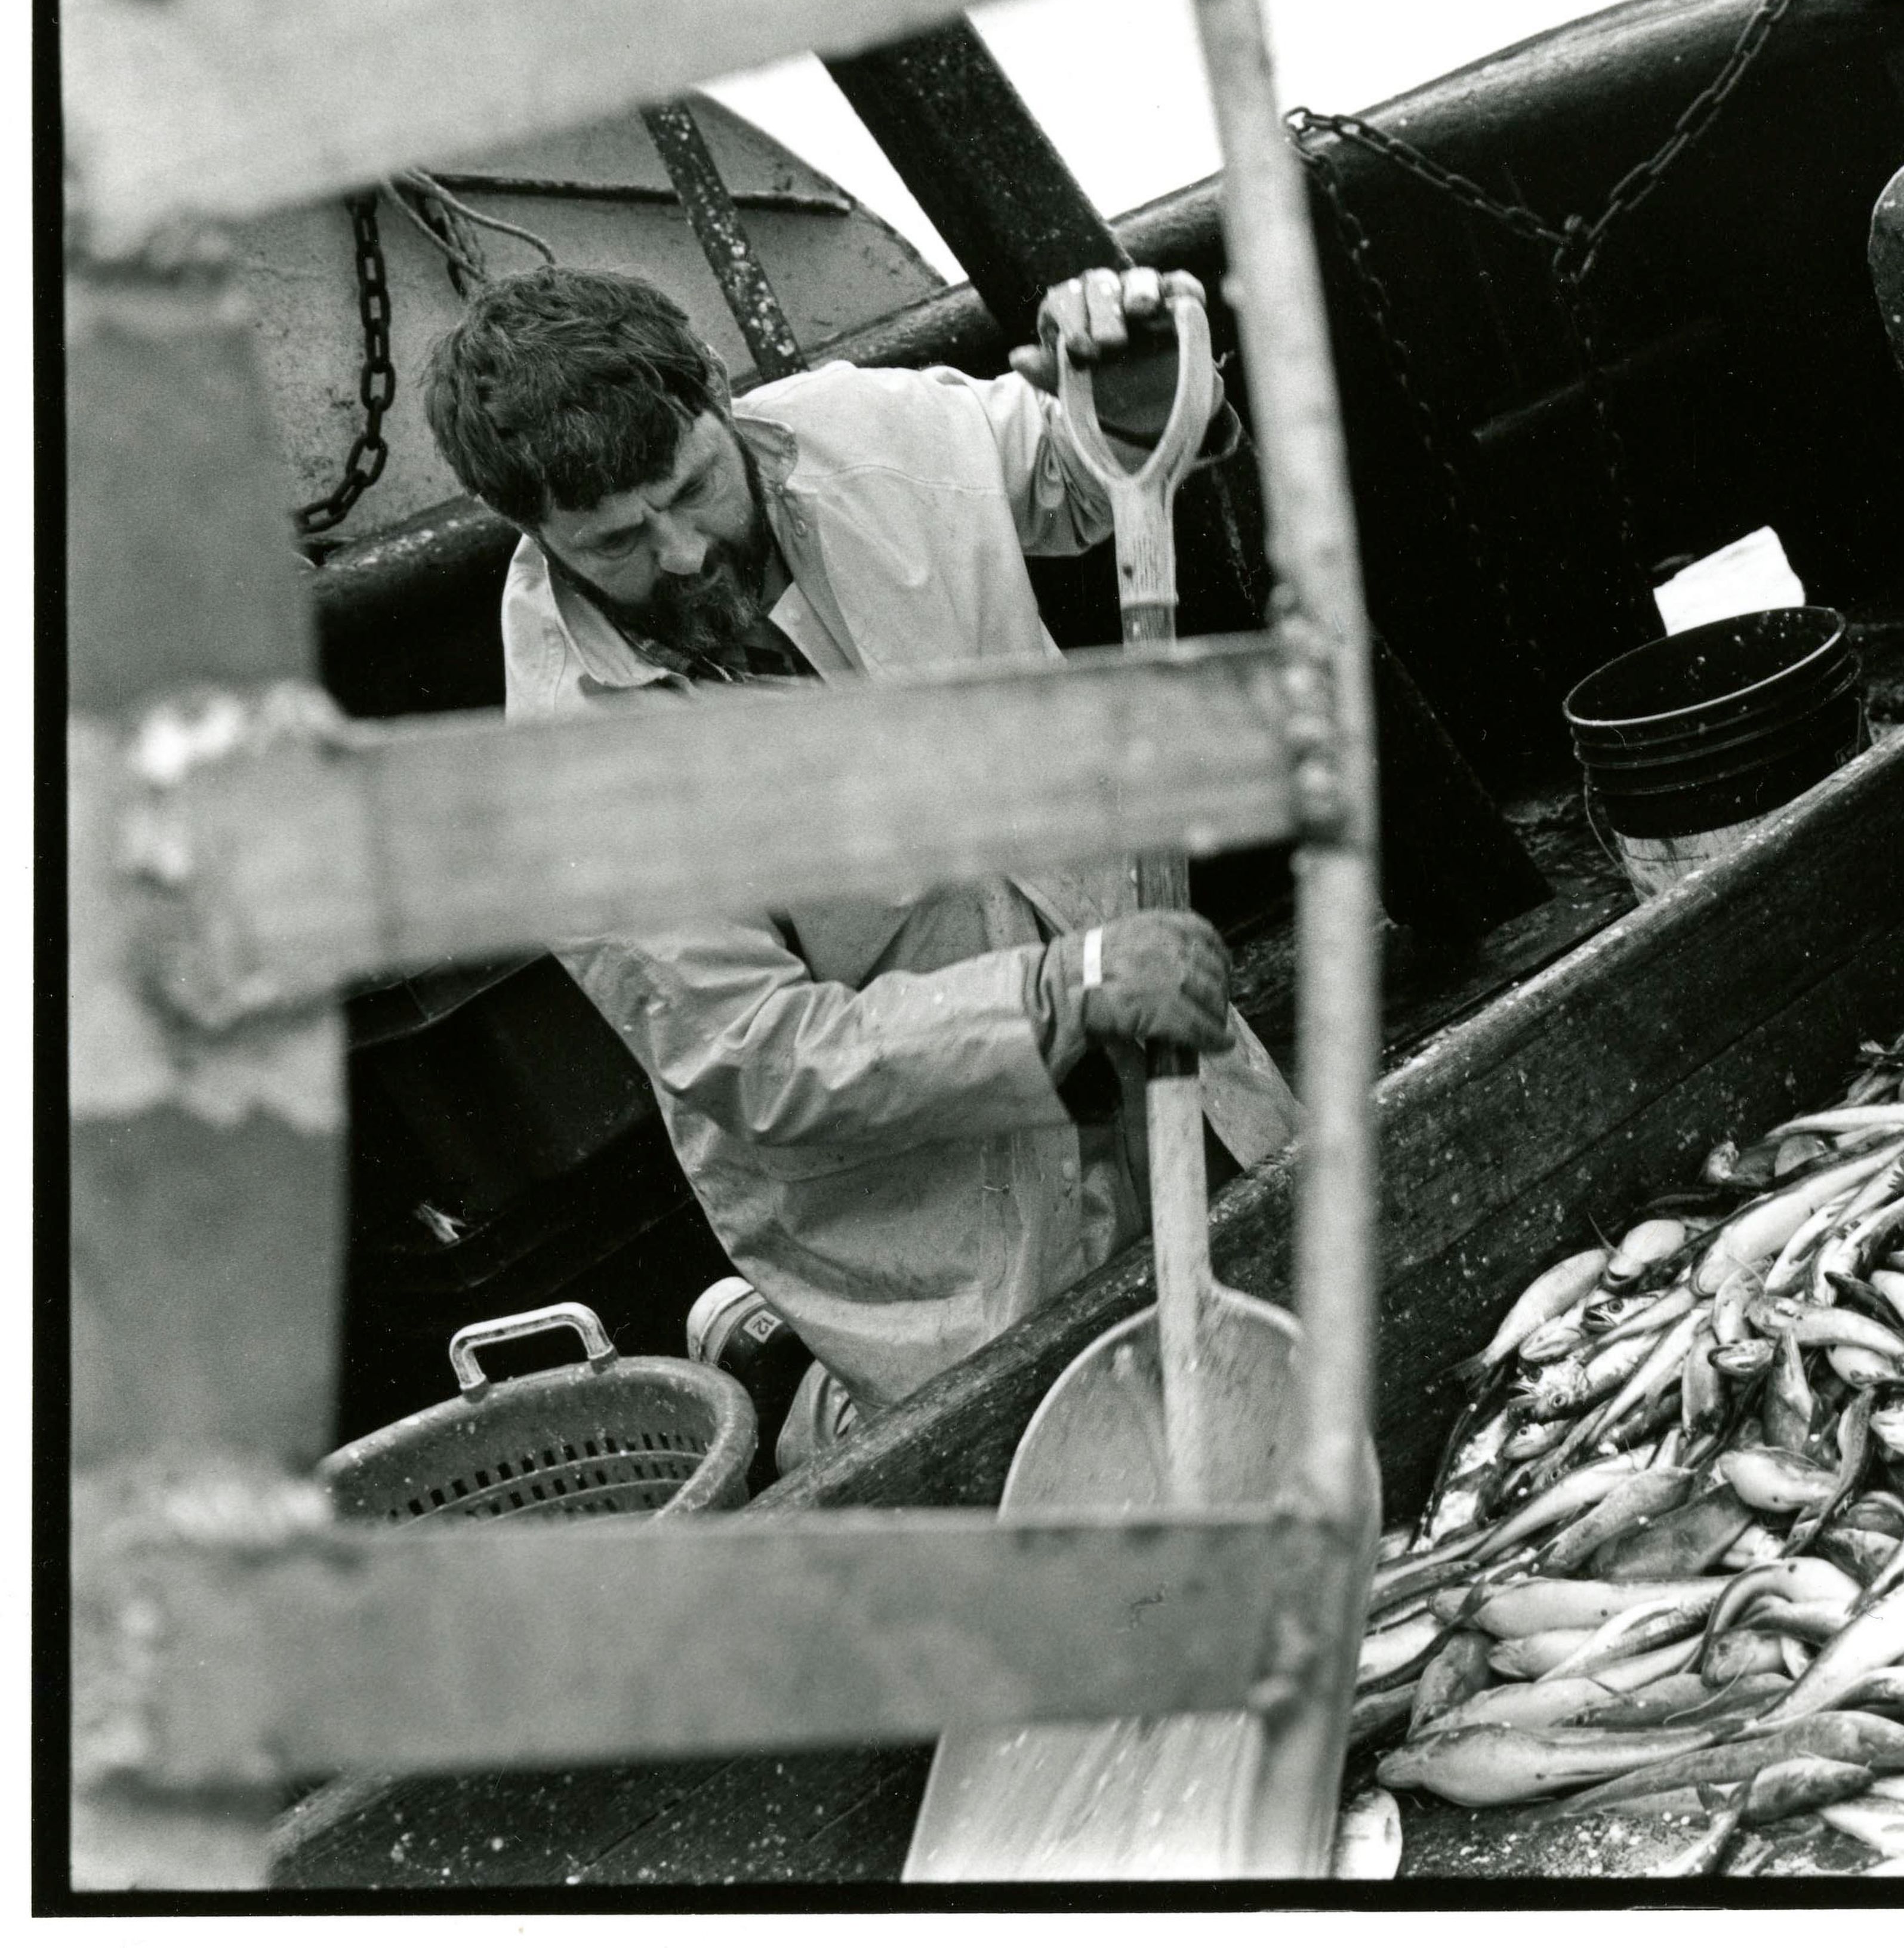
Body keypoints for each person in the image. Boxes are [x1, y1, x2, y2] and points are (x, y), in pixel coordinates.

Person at [422, 263, 1302, 1473]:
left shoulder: (872, 431)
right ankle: (797, 1382)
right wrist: (1063, 993)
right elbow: (764, 1056)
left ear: (719, 395)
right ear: (526, 528)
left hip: (1163, 1043)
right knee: (1047, 1459)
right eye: (616, 541)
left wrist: (1145, 403)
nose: (682, 554)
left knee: (1292, 1313)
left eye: (693, 487)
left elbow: (1077, 474)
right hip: (935, 1205)